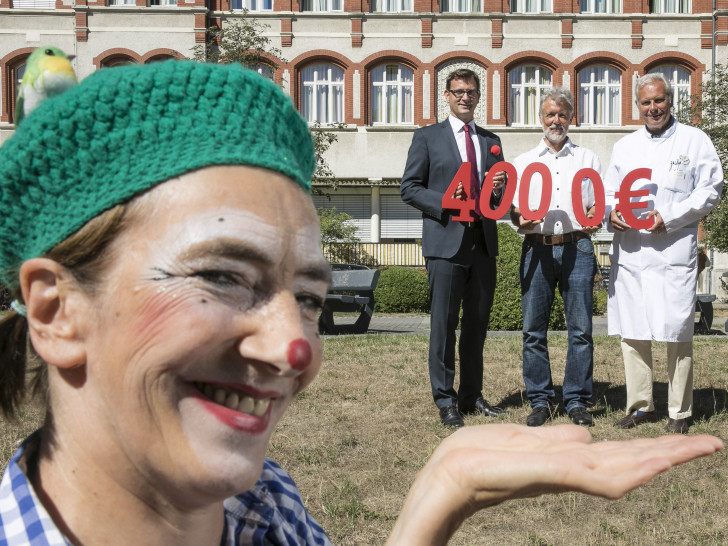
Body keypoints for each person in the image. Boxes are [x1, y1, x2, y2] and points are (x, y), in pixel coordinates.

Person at [0, 60, 723, 546]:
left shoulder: (269, 505)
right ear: (56, 312)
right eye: (222, 275)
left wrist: (440, 493)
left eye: (309, 295)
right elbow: (417, 187)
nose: (298, 349)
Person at [605, 73, 724, 434]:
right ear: (637, 105)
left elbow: (710, 190)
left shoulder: (695, 140)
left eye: (659, 101)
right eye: (646, 102)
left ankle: (679, 410)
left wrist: (668, 218)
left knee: (677, 332)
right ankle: (640, 405)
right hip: (631, 253)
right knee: (633, 331)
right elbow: (610, 192)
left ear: (670, 101)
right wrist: (612, 212)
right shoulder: (625, 146)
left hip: (672, 250)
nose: (653, 108)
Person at [400, 68, 507, 428]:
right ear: (446, 95)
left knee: (476, 325)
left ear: (479, 96)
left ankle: (471, 395)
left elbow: (499, 197)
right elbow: (409, 188)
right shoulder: (427, 137)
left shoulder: (492, 141)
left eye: (471, 92)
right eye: (458, 91)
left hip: (482, 243)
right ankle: (445, 400)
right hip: (445, 244)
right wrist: (445, 200)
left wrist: (498, 190)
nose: (465, 97)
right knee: (443, 326)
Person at [509, 88, 601, 428]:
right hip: (537, 248)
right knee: (534, 329)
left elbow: (596, 205)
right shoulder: (523, 162)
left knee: (581, 330)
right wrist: (520, 220)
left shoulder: (589, 159)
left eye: (562, 114)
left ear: (571, 118)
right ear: (541, 118)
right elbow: (515, 212)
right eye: (550, 114)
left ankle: (576, 400)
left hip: (578, 246)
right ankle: (541, 399)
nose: (556, 120)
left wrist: (594, 215)